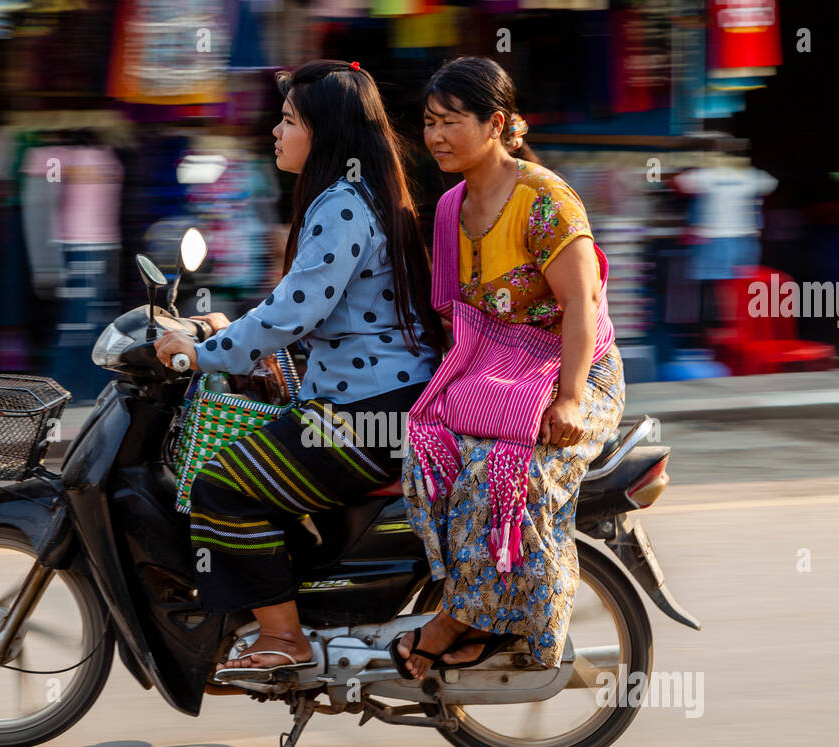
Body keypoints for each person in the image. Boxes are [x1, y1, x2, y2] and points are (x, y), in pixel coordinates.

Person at [155, 60, 445, 679]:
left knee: (219, 484)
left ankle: (284, 639)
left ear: (326, 133)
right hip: (377, 401)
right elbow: (305, 308)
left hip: (367, 413)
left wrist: (202, 353)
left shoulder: (341, 205)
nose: (274, 132)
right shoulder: (358, 196)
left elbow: (291, 314)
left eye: (288, 120)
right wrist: (221, 329)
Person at [392, 56, 626, 680]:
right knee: (426, 446)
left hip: (574, 373)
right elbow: (455, 316)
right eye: (429, 122)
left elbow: (582, 302)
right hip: (499, 377)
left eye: (450, 121)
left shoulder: (545, 200)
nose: (435, 136)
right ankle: (479, 613)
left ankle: (461, 622)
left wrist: (571, 400)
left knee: (506, 474)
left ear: (496, 123)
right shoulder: (448, 210)